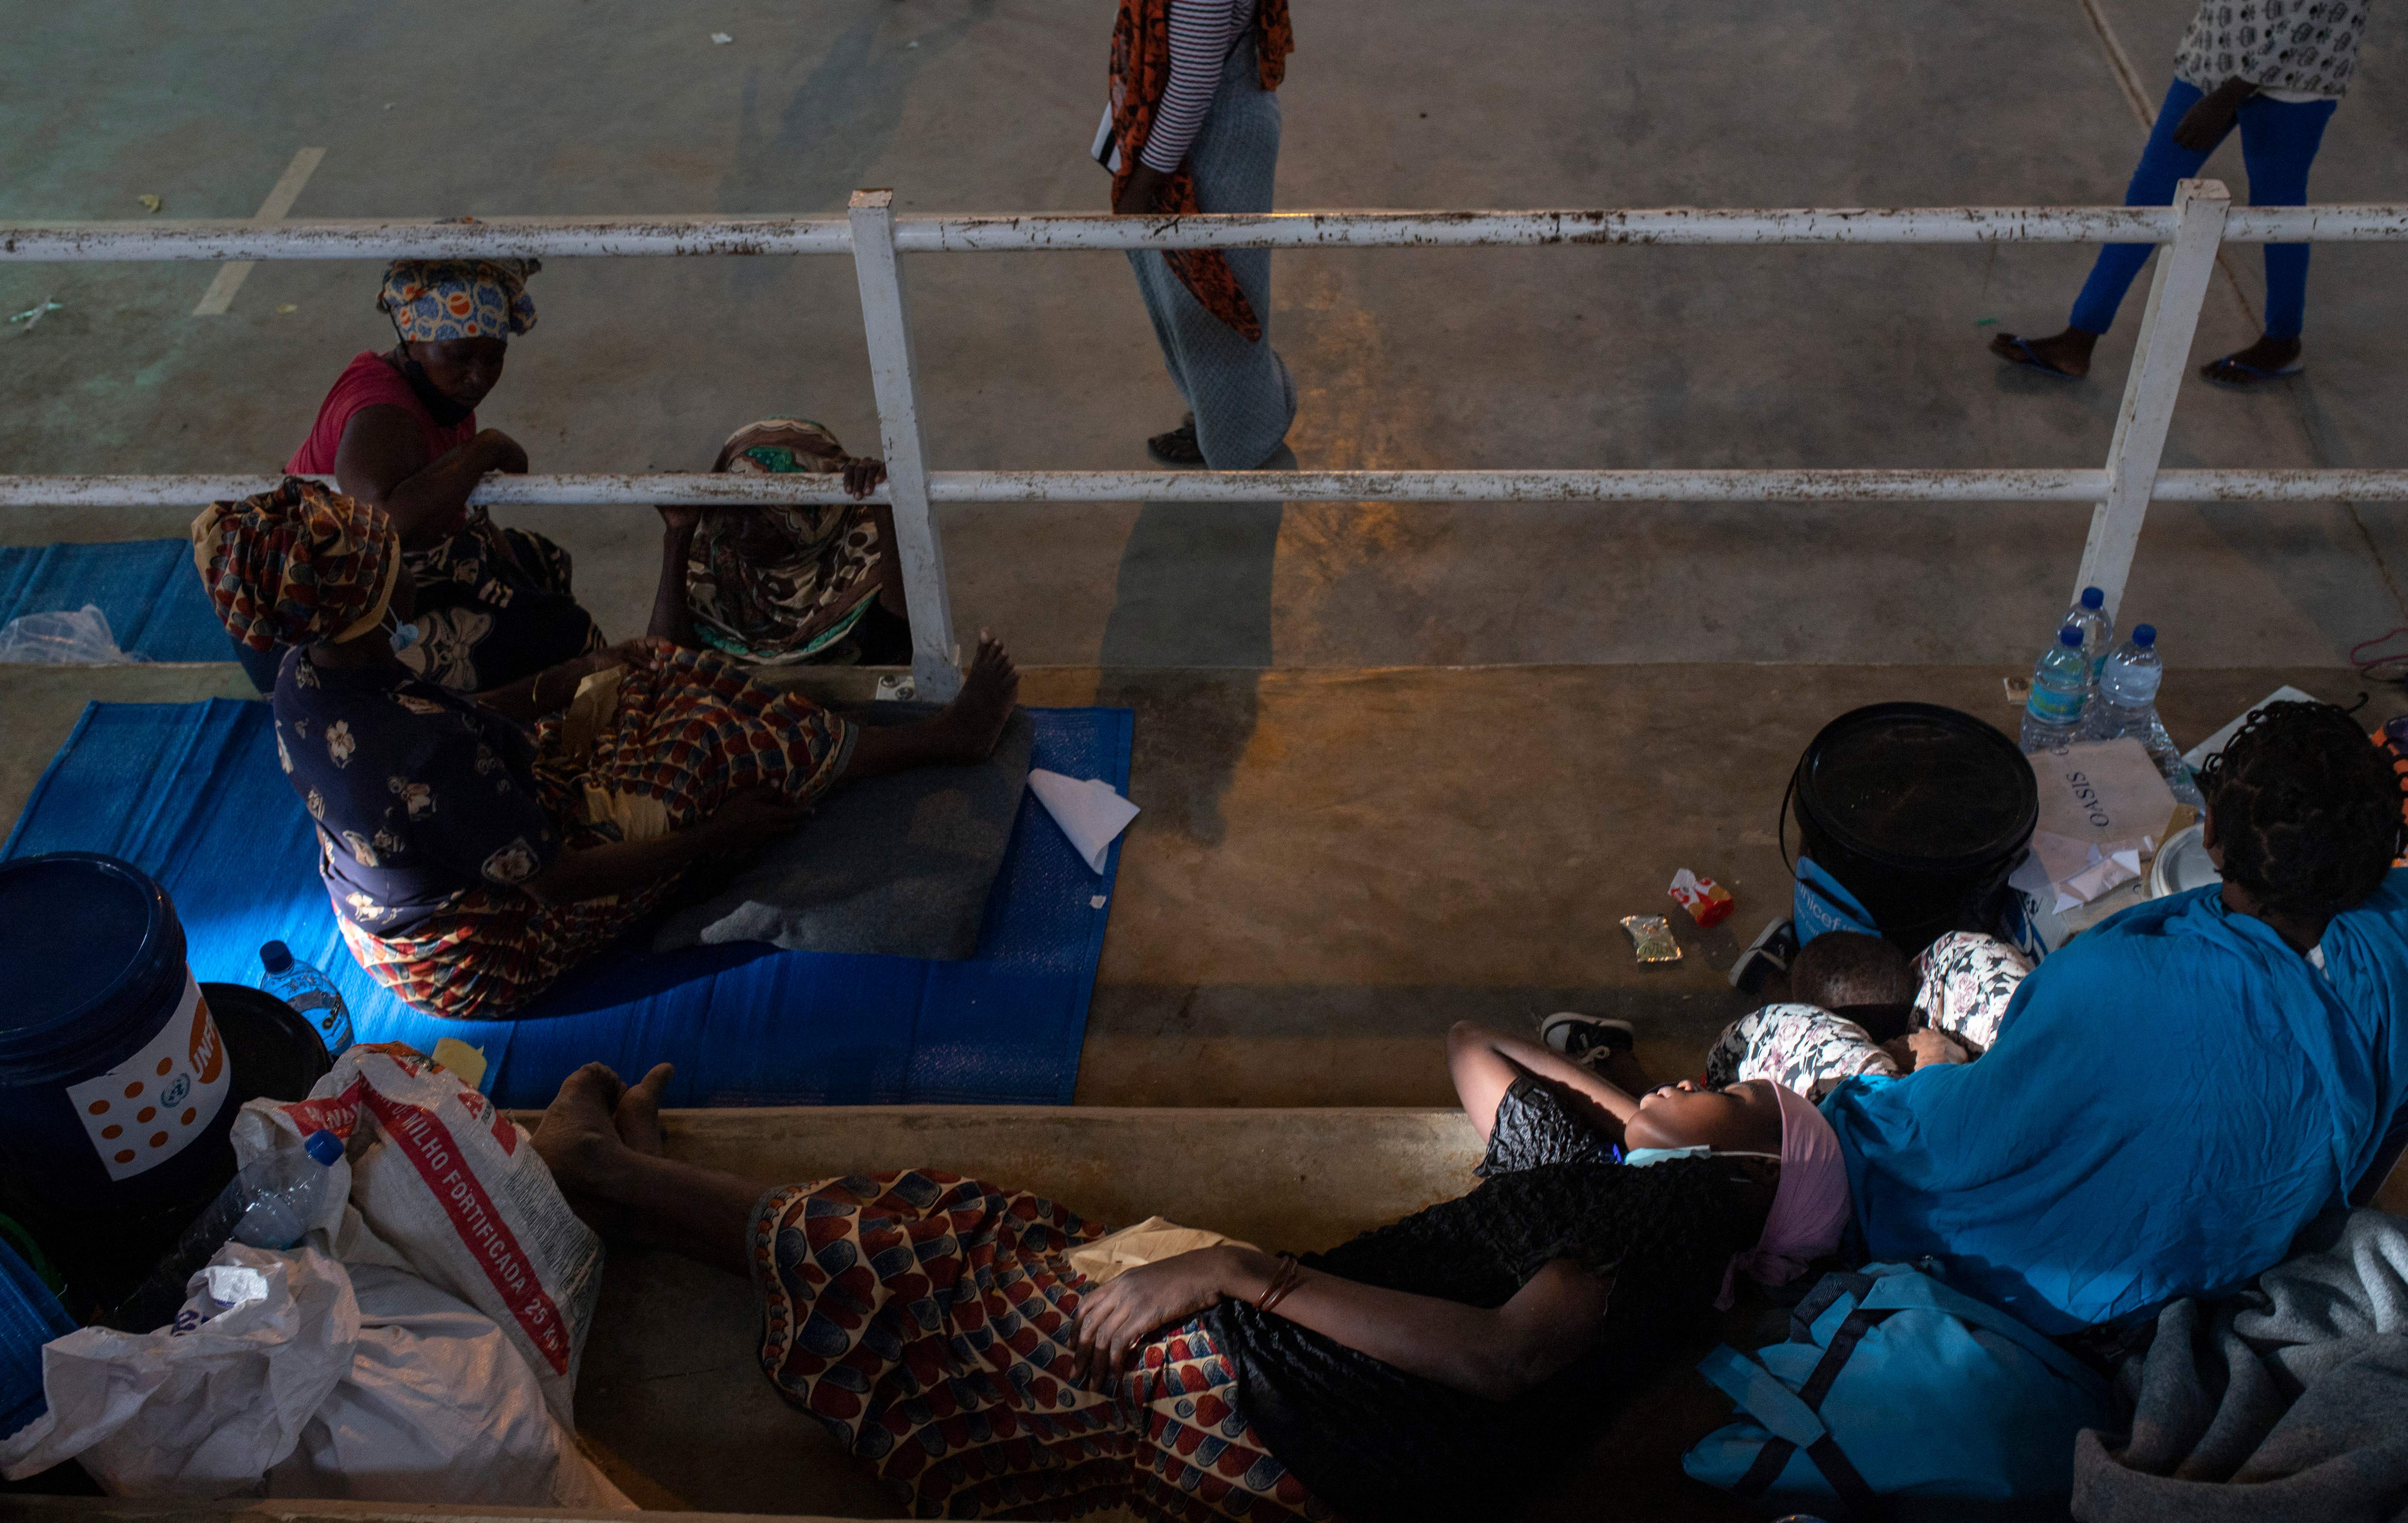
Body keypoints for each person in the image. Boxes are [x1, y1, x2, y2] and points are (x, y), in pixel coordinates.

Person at [524, 1030, 1847, 1521]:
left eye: (1728, 1092)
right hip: (1311, 1417)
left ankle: (614, 1178)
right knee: (1006, 1237)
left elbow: (1503, 1356)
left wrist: (1243, 1274)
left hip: (1299, 1405)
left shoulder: (1677, 1217)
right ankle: (668, 1209)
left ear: (1754, 1174)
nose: (1692, 1079)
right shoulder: (1621, 1189)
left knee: (938, 1265)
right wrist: (1630, 1111)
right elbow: (1477, 1051)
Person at [1698, 701, 2408, 1335]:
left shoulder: (2113, 976)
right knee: (1962, 955)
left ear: (2213, 831)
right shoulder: (2395, 943)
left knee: (1766, 1034)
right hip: (2182, 1278)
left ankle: (1831, 1045)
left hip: (2037, 1288)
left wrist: (1938, 1068)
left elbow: (1962, 1147)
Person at [190, 479, 1020, 1021]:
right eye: (397, 563)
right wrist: (714, 837)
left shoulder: (312, 670)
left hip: (417, 897)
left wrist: (567, 680)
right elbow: (555, 881)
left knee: (644, 666)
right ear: (369, 601)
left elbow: (454, 716)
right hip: (488, 951)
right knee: (703, 738)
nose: (415, 566)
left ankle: (819, 746)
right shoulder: (423, 754)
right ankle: (944, 740)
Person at [1990, 0, 2371, 386]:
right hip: (2212, 59)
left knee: (2277, 214)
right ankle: (2078, 339)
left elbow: (2320, 12)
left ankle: (2282, 341)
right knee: (2147, 199)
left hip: (2296, 79)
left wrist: (2232, 94)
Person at [283, 255, 606, 692]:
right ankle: (481, 720)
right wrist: (484, 448)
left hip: (384, 575)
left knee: (538, 563)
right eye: (460, 357)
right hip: (322, 621)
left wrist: (511, 574)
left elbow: (453, 510)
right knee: (571, 639)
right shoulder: (382, 413)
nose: (478, 377)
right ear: (413, 340)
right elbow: (385, 527)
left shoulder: (437, 393)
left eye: (494, 360)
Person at [1100, 0, 1299, 467]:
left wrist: (1143, 185)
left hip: (1210, 143)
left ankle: (1242, 441)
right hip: (1202, 134)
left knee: (1214, 307)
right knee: (1199, 297)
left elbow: (1191, 86)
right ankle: (1227, 419)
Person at [649, 418, 913, 667]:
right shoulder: (718, 550)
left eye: (767, 518)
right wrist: (678, 534)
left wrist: (885, 505)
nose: (743, 532)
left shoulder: (861, 543)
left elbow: (903, 643)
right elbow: (662, 657)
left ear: (812, 517)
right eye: (736, 512)